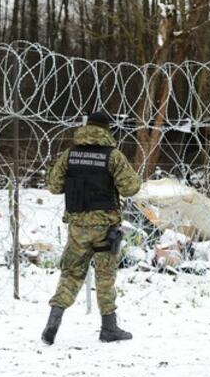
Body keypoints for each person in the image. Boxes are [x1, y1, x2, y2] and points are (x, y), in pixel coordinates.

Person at [41, 111, 142, 344]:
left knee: (70, 275)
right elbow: (131, 188)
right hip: (106, 228)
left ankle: (52, 324)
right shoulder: (113, 156)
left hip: (78, 226)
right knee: (105, 277)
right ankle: (109, 328)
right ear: (107, 130)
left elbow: (54, 186)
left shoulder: (70, 155)